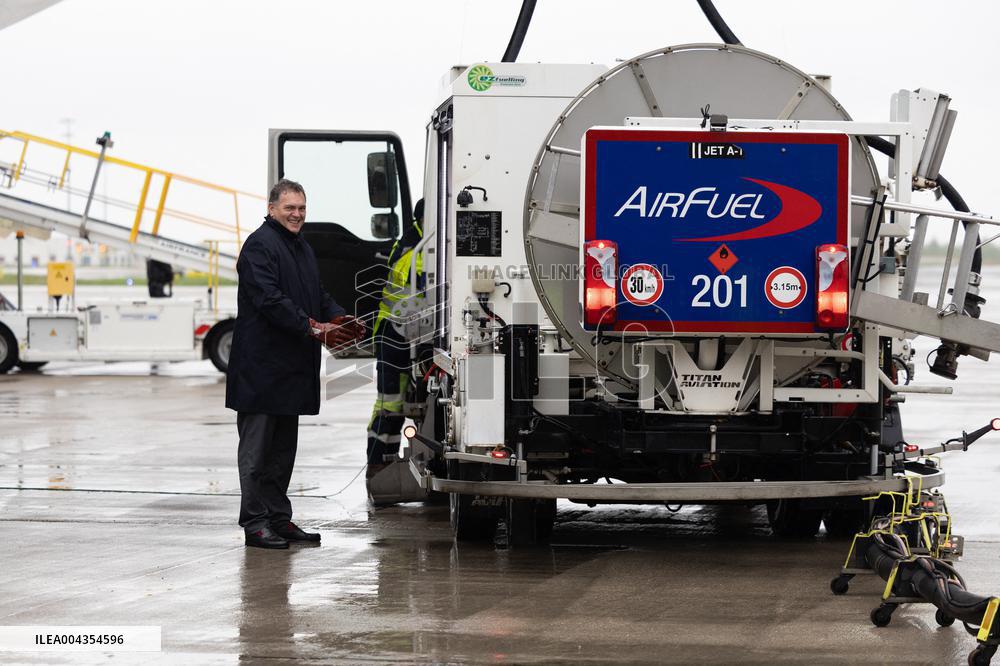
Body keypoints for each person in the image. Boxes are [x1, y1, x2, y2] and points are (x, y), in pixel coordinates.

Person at [226, 179, 363, 549]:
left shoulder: (301, 247)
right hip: (261, 370)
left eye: (302, 208)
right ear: (271, 208)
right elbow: (269, 300)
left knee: (282, 454)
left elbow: (315, 294)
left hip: (290, 370)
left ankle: (278, 519)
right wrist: (311, 327)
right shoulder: (259, 246)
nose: (297, 214)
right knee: (257, 455)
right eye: (290, 208)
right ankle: (255, 524)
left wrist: (337, 317)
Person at [366, 199, 424, 480]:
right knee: (390, 405)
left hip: (401, 334)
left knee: (395, 404)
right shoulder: (416, 253)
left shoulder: (411, 242)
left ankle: (384, 463)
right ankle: (378, 463)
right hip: (395, 336)